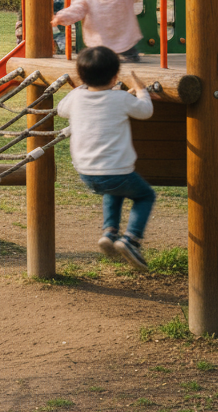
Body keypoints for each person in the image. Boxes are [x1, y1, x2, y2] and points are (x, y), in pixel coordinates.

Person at [57, 46, 155, 270]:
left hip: (86, 172)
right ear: (115, 77)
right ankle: (131, 240)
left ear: (81, 77)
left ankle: (109, 233)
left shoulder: (77, 97)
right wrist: (140, 89)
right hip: (117, 171)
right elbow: (145, 111)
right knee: (145, 196)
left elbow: (61, 109)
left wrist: (78, 89)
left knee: (115, 189)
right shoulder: (120, 98)